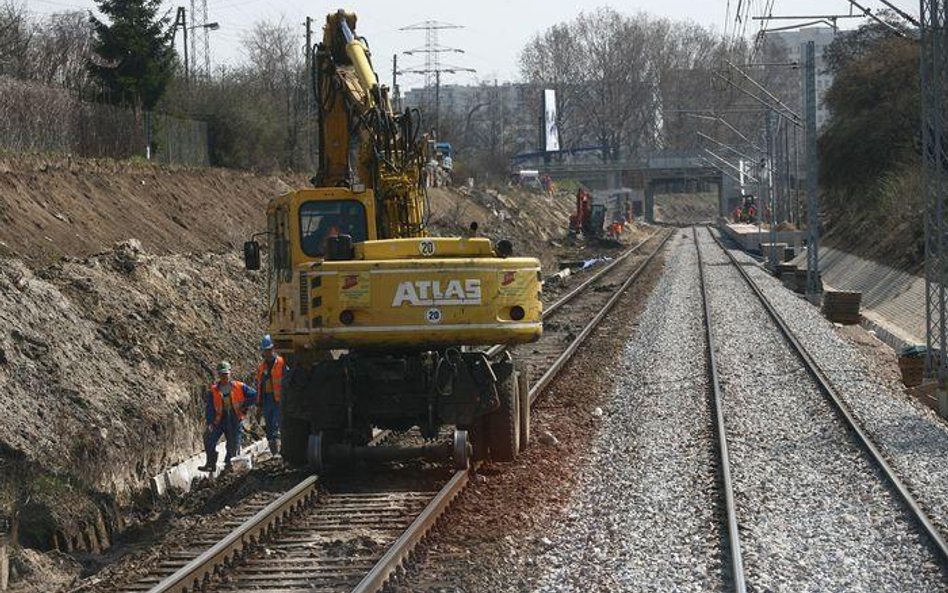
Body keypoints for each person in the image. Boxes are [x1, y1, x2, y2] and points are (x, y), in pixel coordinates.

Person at [199, 361, 257, 472]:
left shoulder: (239, 386)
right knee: (208, 438)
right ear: (218, 375)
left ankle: (229, 467)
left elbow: (255, 395)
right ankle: (211, 463)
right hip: (219, 421)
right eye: (221, 374)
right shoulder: (214, 390)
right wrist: (210, 422)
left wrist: (244, 404)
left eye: (225, 374)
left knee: (233, 445)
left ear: (230, 373)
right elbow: (210, 408)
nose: (224, 376)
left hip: (234, 420)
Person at [256, 335, 287, 455]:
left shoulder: (282, 363)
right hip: (267, 401)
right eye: (265, 350)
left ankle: (281, 452)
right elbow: (260, 387)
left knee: (276, 426)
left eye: (269, 350)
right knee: (269, 429)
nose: (267, 353)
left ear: (274, 349)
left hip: (279, 400)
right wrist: (259, 406)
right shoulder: (261, 367)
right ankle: (275, 453)